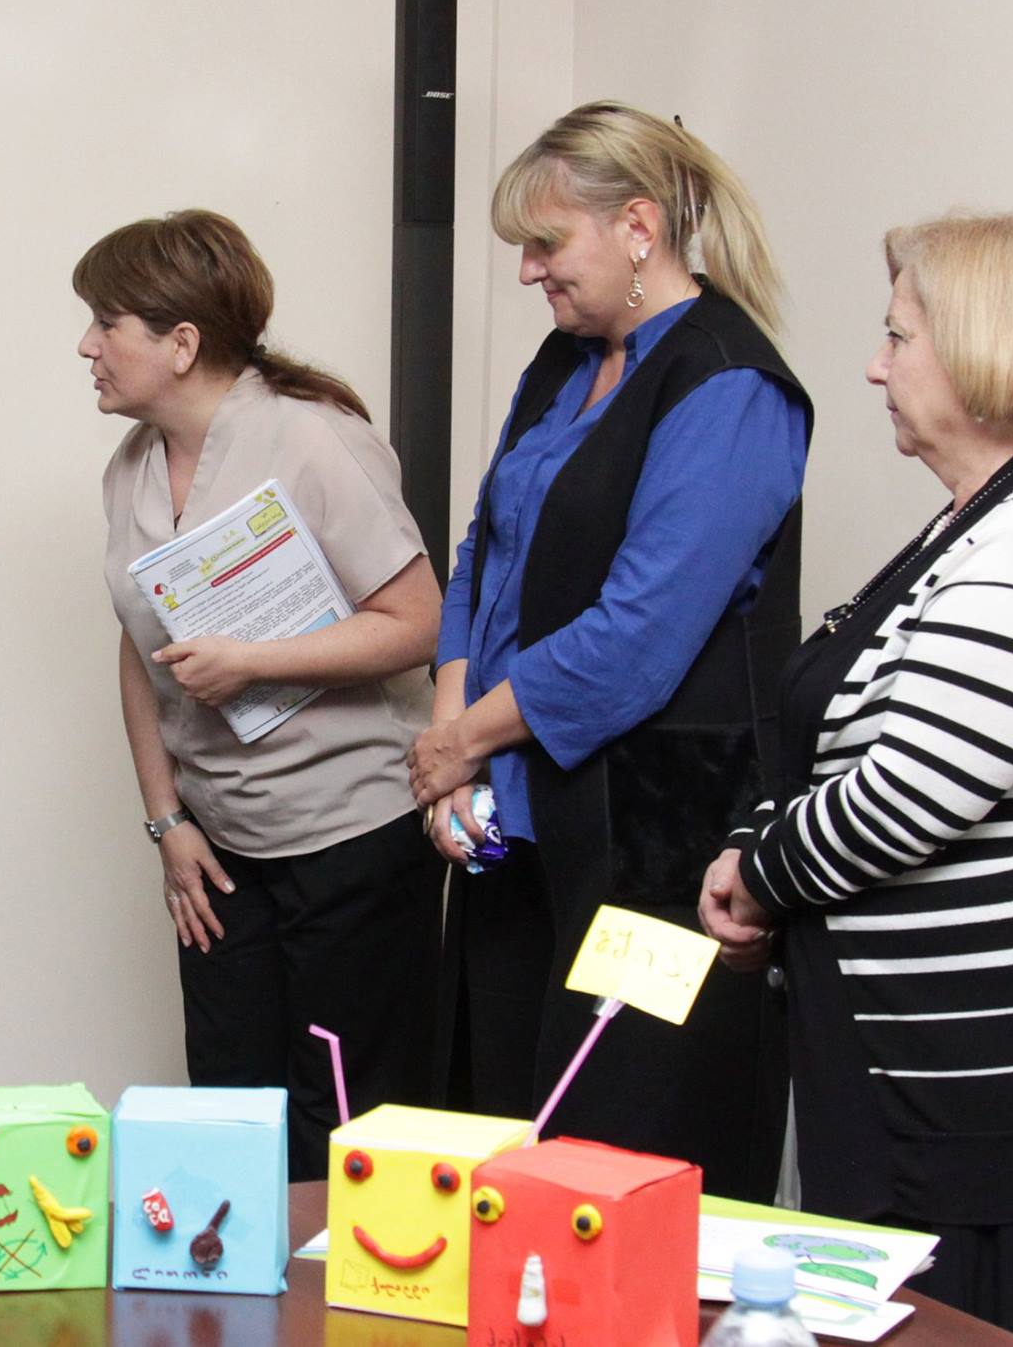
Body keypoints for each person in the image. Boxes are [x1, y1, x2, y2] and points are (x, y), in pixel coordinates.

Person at [700, 211, 1013, 1346]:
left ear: (985, 356)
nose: (873, 366)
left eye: (898, 337)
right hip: (934, 1069)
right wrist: (762, 837)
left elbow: (902, 801)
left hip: (982, 1092)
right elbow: (844, 727)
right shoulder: (987, 517)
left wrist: (759, 876)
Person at [408, 101, 811, 1201]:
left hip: (657, 847)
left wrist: (463, 740)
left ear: (637, 227)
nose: (528, 271)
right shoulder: (563, 361)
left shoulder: (730, 383)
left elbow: (637, 636)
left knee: (618, 1158)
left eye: (546, 243)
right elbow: (483, 553)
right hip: (516, 827)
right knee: (499, 1142)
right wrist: (453, 743)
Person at [78, 209, 444, 1179]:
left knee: (346, 1130)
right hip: (219, 850)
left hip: (353, 839)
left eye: (106, 323)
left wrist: (255, 661)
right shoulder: (129, 469)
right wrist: (167, 822)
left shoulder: (312, 441)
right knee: (227, 1121)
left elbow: (420, 623)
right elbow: (140, 650)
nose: (86, 346)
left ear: (181, 342)